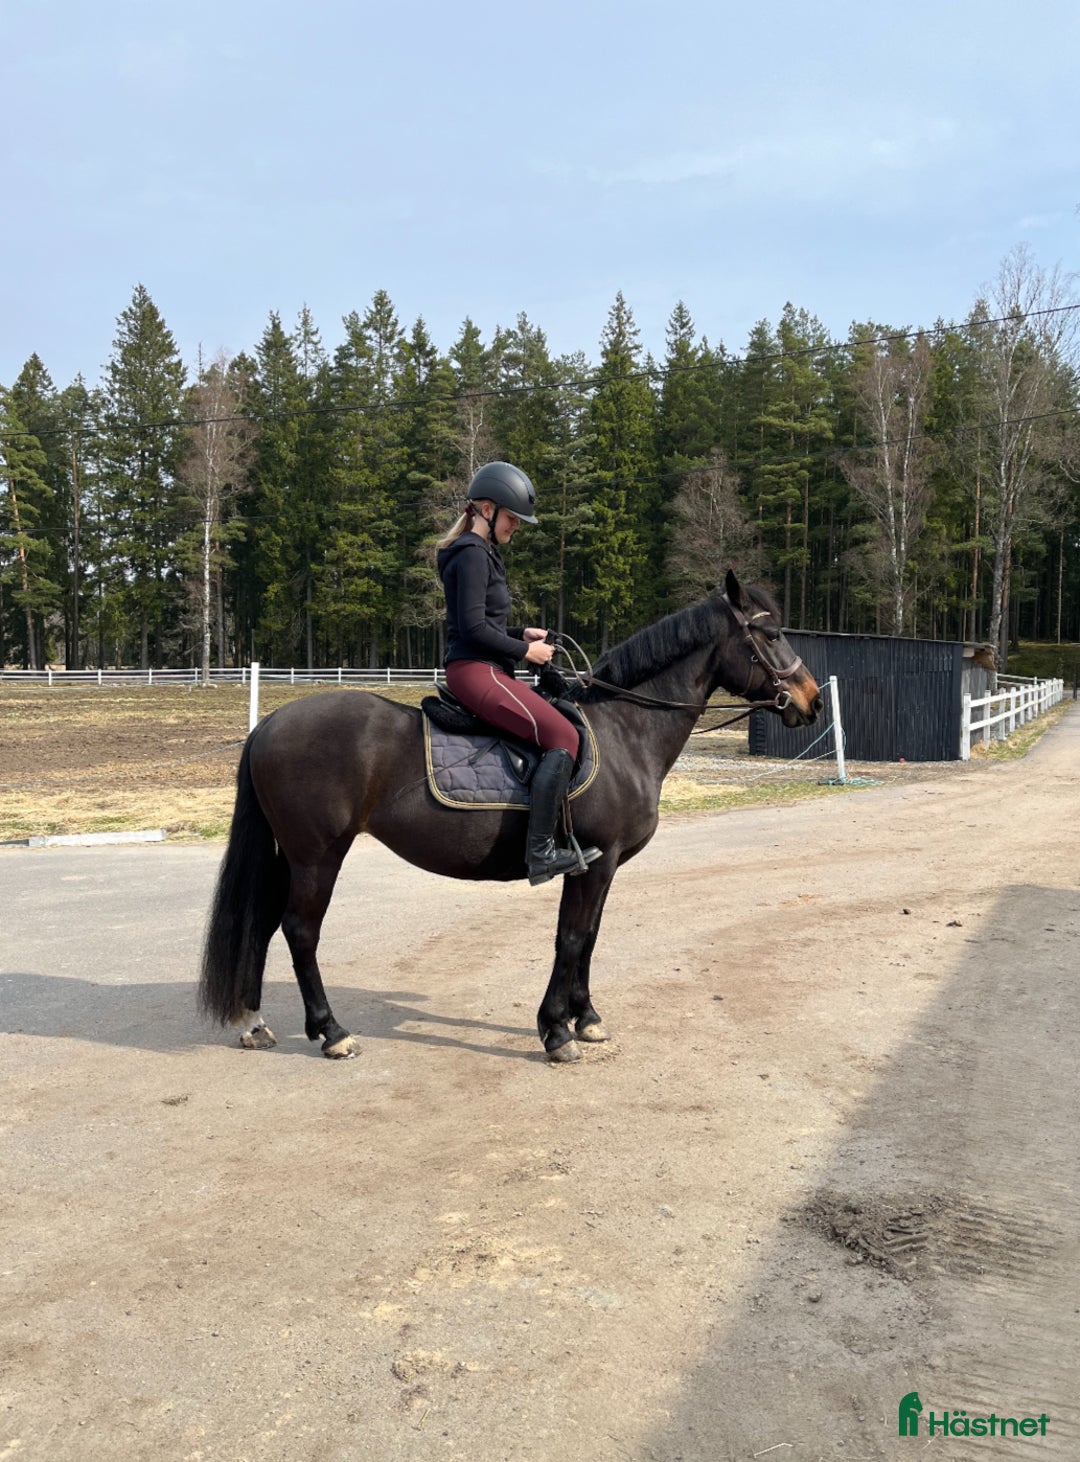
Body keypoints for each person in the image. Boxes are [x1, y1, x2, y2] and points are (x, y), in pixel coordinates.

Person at [436, 461, 601, 886]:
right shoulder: (473, 554)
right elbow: (472, 631)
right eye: (512, 518)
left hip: (484, 666)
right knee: (564, 736)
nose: (517, 527)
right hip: (477, 671)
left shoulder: (480, 552)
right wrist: (526, 650)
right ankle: (541, 853)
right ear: (486, 510)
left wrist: (519, 634)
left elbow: (481, 626)